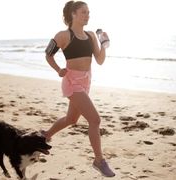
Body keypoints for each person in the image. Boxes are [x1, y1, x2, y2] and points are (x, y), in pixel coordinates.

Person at [43, 0, 115, 177]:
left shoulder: (91, 35)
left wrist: (104, 45)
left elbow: (99, 60)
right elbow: (48, 54)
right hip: (72, 82)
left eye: (89, 12)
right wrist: (58, 69)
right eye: (84, 12)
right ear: (73, 14)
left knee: (71, 119)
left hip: (86, 81)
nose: (87, 15)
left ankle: (45, 136)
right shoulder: (63, 35)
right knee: (95, 120)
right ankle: (99, 161)